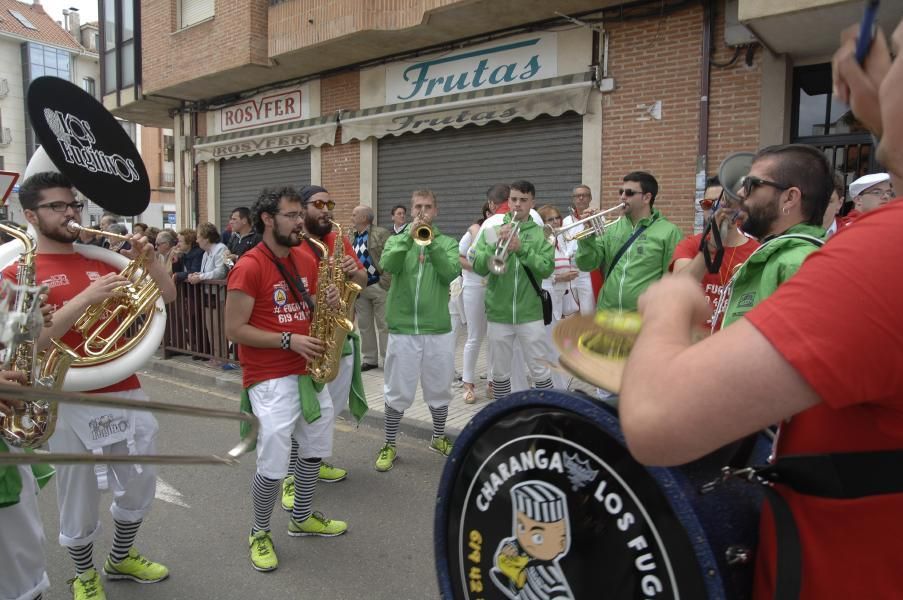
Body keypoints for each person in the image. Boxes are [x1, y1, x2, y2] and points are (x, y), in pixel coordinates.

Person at [618, 18, 903, 599]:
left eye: (898, 57)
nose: (740, 195)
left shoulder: (881, 254)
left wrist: (672, 303)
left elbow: (656, 419)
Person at [4, 171, 176, 600]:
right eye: (58, 206)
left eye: (75, 205)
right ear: (30, 214)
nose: (71, 214)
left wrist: (148, 259)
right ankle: (83, 574)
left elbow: (166, 296)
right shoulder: (18, 271)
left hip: (125, 384)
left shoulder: (101, 260)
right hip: (66, 397)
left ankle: (120, 556)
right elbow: (25, 345)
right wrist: (86, 300)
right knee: (77, 495)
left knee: (140, 482)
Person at [224, 186, 348, 574]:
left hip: (307, 370)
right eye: (292, 216)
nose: (300, 222)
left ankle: (302, 515)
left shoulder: (305, 256)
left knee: (314, 446)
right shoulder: (249, 266)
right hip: (269, 375)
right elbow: (233, 329)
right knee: (275, 458)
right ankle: (259, 531)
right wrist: (287, 339)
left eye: (300, 215)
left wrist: (330, 302)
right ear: (267, 219)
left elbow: (312, 309)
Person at [283, 184, 367, 508]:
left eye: (329, 203)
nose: (326, 209)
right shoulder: (293, 242)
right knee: (304, 412)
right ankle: (292, 476)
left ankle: (313, 462)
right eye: (318, 203)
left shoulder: (337, 238)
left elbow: (360, 281)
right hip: (307, 340)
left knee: (328, 412)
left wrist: (353, 273)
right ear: (302, 209)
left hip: (339, 337)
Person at [374, 189, 461, 472]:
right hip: (403, 328)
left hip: (437, 328)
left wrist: (431, 244)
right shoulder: (396, 240)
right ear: (411, 211)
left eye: (427, 207)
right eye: (418, 207)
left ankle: (438, 437)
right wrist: (407, 240)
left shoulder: (447, 242)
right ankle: (389, 443)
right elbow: (388, 266)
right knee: (397, 390)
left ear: (435, 211)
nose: (422, 212)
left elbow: (450, 273)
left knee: (439, 388)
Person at [710, 144, 830, 330]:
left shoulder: (797, 264)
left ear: (789, 198)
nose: (741, 193)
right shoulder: (780, 255)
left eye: (751, 185)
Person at [473, 181, 555, 402]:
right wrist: (494, 244)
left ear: (532, 203)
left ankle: (543, 413)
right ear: (508, 201)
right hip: (499, 311)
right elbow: (479, 266)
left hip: (530, 312)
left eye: (523, 200)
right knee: (499, 373)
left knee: (540, 370)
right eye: (514, 199)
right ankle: (503, 413)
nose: (518, 204)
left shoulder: (542, 234)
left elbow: (547, 268)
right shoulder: (492, 230)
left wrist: (522, 249)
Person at [575, 172, 682, 313]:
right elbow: (586, 264)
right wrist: (587, 236)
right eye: (621, 192)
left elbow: (673, 279)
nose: (622, 197)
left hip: (643, 319)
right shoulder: (612, 228)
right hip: (607, 316)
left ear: (646, 197)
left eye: (629, 192)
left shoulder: (669, 232)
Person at [670, 176, 758, 330]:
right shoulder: (691, 244)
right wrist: (712, 244)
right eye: (707, 204)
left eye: (725, 203)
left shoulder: (757, 251)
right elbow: (679, 287)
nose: (715, 209)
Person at [458, 201, 494, 404]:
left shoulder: (494, 232)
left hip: (494, 288)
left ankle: (491, 381)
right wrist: (478, 268)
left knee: (493, 336)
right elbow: (459, 257)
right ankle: (468, 383)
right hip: (473, 287)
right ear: (488, 212)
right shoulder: (475, 230)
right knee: (474, 336)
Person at [350, 204, 390, 371]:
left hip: (378, 285)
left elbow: (389, 257)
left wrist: (385, 282)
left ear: (364, 218)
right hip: (360, 288)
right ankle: (370, 359)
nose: (351, 217)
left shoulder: (381, 233)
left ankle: (388, 359)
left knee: (384, 325)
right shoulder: (351, 235)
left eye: (354, 214)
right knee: (365, 325)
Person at [187, 223, 229, 362]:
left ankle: (222, 357)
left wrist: (201, 277)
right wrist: (198, 274)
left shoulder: (221, 249)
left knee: (219, 327)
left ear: (206, 237)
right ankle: (215, 356)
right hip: (207, 294)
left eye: (199, 237)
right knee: (210, 326)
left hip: (219, 294)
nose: (197, 240)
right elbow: (207, 272)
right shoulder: (206, 253)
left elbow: (221, 272)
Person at [560, 185, 602, 314]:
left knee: (588, 310)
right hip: (570, 269)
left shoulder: (599, 217)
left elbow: (601, 242)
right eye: (578, 196)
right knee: (571, 311)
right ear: (573, 199)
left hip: (586, 270)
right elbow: (562, 243)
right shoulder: (566, 221)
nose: (581, 198)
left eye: (585, 195)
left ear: (590, 198)